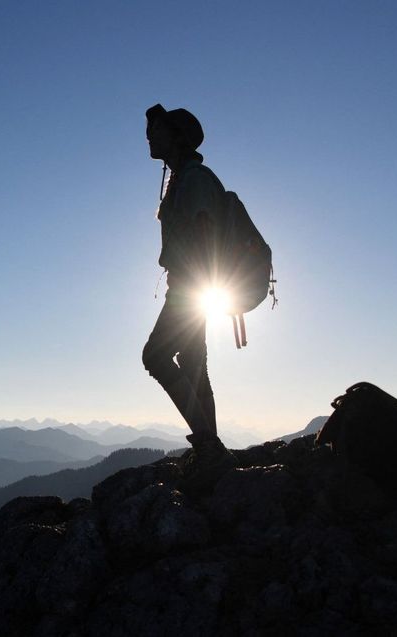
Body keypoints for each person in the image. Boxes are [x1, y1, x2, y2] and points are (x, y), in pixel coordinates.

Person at [141, 104, 236, 480]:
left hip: (191, 287)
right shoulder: (185, 178)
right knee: (195, 363)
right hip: (196, 286)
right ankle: (211, 448)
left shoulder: (193, 179)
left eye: (157, 130)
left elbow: (203, 232)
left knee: (156, 356)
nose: (149, 136)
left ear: (177, 137)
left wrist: (194, 286)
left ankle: (208, 443)